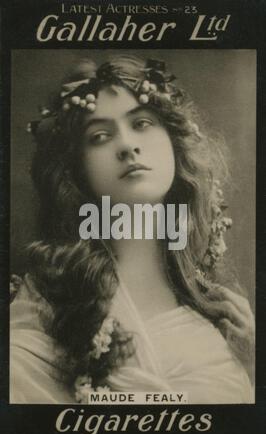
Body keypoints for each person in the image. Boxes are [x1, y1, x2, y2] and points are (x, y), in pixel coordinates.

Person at [10, 55, 255, 404]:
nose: (126, 145)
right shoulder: (46, 304)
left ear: (174, 142)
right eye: (100, 136)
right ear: (77, 170)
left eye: (141, 123)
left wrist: (251, 367)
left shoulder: (222, 314)